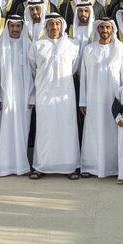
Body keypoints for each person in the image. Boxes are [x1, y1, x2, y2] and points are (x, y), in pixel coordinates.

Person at [28, 13, 81, 179]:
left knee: (67, 129)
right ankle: (41, 166)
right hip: (45, 94)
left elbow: (73, 68)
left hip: (65, 95)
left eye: (57, 24)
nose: (54, 27)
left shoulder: (73, 45)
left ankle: (70, 167)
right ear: (46, 26)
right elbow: (33, 68)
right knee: (45, 130)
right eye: (51, 24)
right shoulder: (37, 45)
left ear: (62, 25)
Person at [79, 18, 123, 178]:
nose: (105, 30)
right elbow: (83, 77)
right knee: (93, 131)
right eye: (101, 27)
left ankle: (113, 168)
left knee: (112, 133)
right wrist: (83, 101)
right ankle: (90, 167)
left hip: (113, 99)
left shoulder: (121, 49)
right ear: (97, 29)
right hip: (93, 98)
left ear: (113, 29)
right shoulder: (89, 49)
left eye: (107, 27)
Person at [0, 15, 33, 177]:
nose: (15, 30)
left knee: (22, 131)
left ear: (22, 28)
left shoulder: (29, 46)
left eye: (18, 27)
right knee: (2, 131)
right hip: (3, 97)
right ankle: (2, 165)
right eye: (12, 26)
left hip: (23, 99)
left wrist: (32, 97)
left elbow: (34, 74)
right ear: (7, 27)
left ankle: (20, 166)